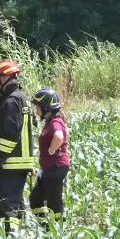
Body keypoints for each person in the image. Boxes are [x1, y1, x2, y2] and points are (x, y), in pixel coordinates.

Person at [0, 59, 35, 232]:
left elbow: (10, 135)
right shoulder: (24, 99)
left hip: (11, 162)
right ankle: (20, 236)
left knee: (5, 204)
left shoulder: (10, 102)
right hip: (22, 162)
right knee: (16, 202)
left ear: (6, 78)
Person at [29, 89, 70, 226]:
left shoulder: (55, 123)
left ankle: (59, 229)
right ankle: (44, 227)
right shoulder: (52, 121)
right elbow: (66, 134)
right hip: (49, 168)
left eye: (38, 106)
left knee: (54, 202)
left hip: (55, 168)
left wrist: (52, 150)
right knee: (35, 199)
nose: (36, 109)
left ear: (46, 107)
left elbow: (59, 136)